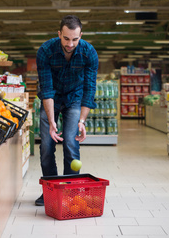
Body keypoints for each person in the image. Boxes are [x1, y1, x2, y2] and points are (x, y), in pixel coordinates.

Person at [35, 15, 98, 206]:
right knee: (46, 146)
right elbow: (46, 89)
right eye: (66, 38)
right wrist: (52, 121)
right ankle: (50, 191)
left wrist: (82, 121)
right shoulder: (46, 51)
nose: (70, 44)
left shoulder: (89, 53)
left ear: (81, 35)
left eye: (75, 39)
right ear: (59, 34)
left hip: (74, 98)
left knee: (71, 143)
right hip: (51, 98)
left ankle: (71, 191)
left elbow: (89, 89)